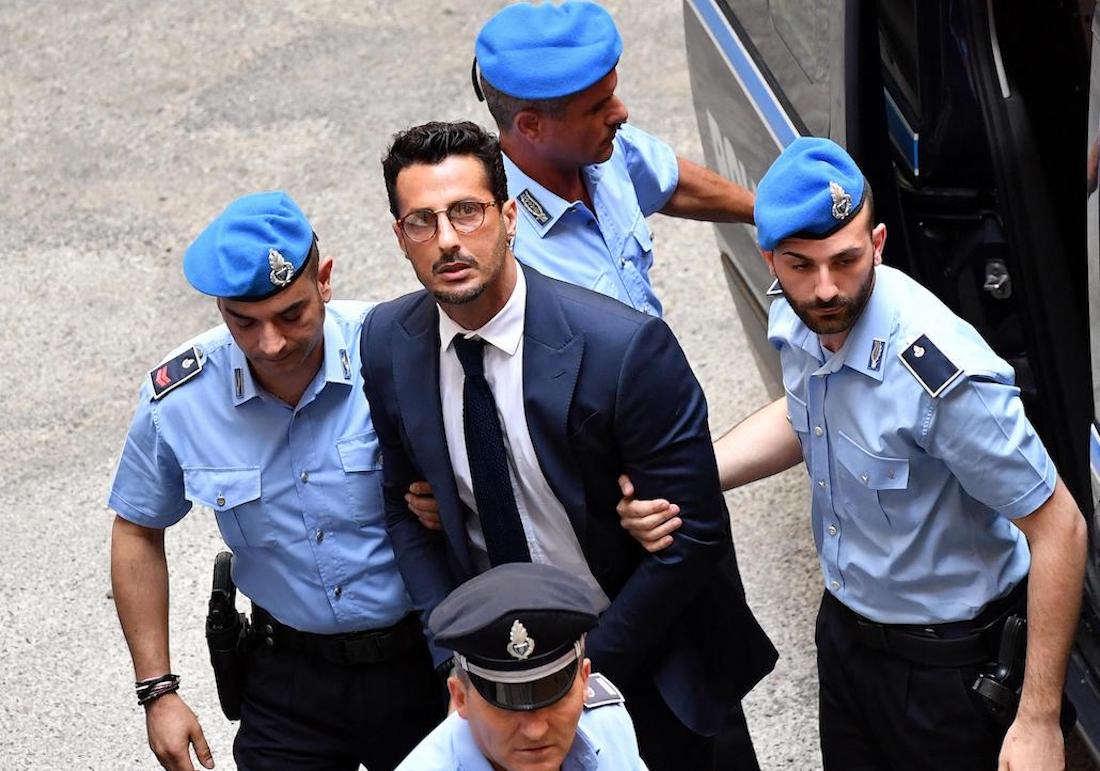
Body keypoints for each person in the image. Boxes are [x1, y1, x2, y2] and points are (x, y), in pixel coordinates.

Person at [616, 137, 1087, 769]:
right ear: (770, 258)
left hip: (949, 671)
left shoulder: (939, 380)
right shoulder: (802, 315)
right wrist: (688, 478)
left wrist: (1038, 720)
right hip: (847, 639)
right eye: (800, 265)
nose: (826, 289)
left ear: (879, 243)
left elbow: (1060, 528)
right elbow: (807, 415)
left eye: (846, 260)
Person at [363, 119, 776, 771]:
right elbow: (400, 509)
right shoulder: (388, 341)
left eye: (467, 211)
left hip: (645, 663)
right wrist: (458, 658)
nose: (446, 240)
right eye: (422, 221)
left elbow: (693, 533)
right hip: (495, 687)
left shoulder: (624, 348)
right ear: (399, 237)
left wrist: (578, 679)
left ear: (508, 218)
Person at [108, 191, 442, 771]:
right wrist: (157, 691)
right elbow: (137, 530)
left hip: (423, 661)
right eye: (244, 322)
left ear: (324, 280)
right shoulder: (180, 399)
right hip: (288, 678)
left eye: (291, 314)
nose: (271, 343)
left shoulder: (400, 350)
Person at [471, 0, 755, 317]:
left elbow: (673, 184)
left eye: (612, 95)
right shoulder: (502, 251)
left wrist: (770, 215)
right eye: (597, 108)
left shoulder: (603, 148)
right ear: (531, 126)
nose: (621, 113)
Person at [397, 561, 646, 770]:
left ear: (584, 679)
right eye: (506, 706)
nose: (535, 731)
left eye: (553, 698)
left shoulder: (608, 724)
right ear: (460, 697)